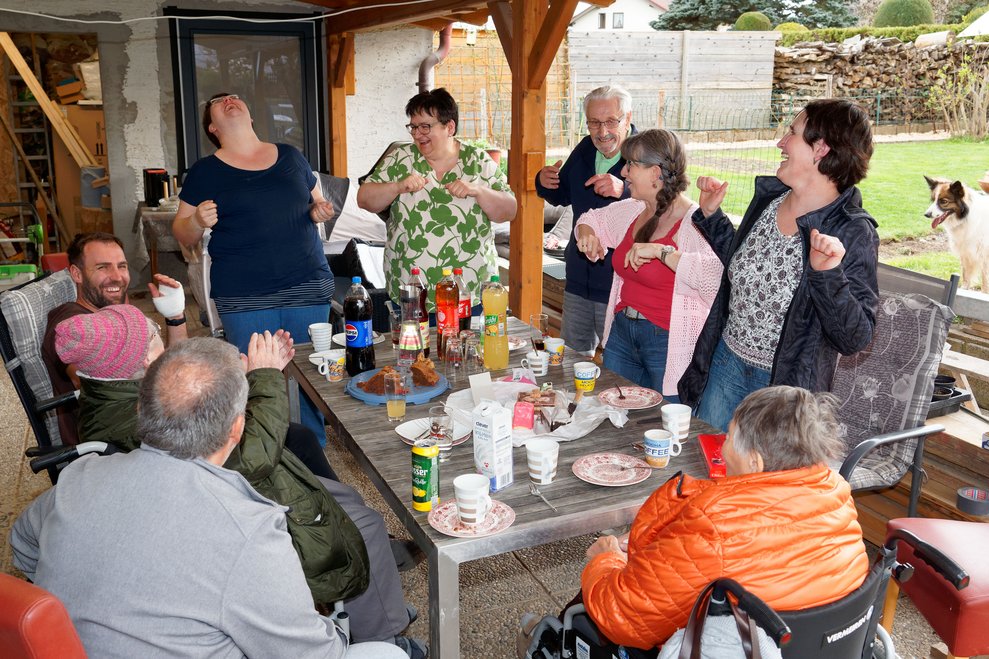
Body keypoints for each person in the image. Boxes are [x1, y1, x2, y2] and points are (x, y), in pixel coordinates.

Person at [10, 338, 407, 659]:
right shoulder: (248, 530)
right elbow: (311, 653)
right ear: (237, 429)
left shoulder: (79, 477)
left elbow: (22, 544)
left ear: (140, 410)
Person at [577, 386, 868, 651]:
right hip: (819, 648)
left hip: (733, 647)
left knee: (587, 606)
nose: (722, 448)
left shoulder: (716, 523)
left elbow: (624, 618)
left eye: (728, 438)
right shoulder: (837, 496)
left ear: (755, 461)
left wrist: (606, 559)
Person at [679, 99, 880, 431]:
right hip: (725, 365)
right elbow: (748, 266)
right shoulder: (769, 201)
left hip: (784, 390)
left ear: (821, 149)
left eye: (792, 133)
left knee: (763, 483)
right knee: (708, 468)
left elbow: (854, 337)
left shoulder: (852, 230)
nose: (781, 143)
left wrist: (827, 274)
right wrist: (713, 218)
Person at [172, 92, 336, 444]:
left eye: (235, 97)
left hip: (306, 281)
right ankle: (265, 454)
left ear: (250, 116)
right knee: (258, 377)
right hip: (244, 293)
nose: (229, 99)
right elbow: (182, 232)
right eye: (219, 101)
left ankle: (314, 454)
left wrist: (320, 211)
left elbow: (317, 204)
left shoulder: (291, 155)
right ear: (213, 127)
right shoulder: (204, 171)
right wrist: (198, 219)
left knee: (309, 374)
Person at [573, 129, 725, 398]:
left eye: (631, 165)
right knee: (615, 415)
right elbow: (591, 218)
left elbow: (715, 282)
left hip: (667, 343)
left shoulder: (695, 222)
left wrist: (662, 252)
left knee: (663, 426)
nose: (624, 173)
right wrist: (586, 235)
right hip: (621, 333)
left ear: (655, 173)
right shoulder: (634, 209)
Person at [357, 87, 516, 313]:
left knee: (467, 349)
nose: (417, 134)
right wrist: (398, 186)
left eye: (425, 127)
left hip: (469, 293)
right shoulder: (400, 158)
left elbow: (509, 210)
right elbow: (364, 199)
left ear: (449, 127)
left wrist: (478, 190)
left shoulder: (478, 161)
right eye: (413, 127)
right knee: (413, 350)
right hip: (411, 293)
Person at [41, 231, 187, 445]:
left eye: (122, 266)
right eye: (102, 267)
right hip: (114, 445)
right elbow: (91, 383)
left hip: (137, 428)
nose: (117, 277)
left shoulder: (112, 318)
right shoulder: (72, 326)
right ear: (77, 273)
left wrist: (175, 316)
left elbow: (173, 370)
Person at [536, 85, 636, 356]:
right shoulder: (584, 149)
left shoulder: (644, 153)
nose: (602, 132)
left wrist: (623, 190)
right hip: (579, 278)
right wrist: (545, 183)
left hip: (620, 285)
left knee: (618, 365)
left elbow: (665, 204)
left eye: (611, 122)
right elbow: (563, 194)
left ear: (627, 118)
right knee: (571, 361)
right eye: (594, 123)